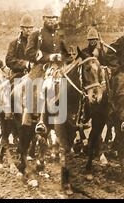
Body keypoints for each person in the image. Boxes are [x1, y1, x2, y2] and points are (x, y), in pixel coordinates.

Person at [24, 5, 69, 133]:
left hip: (59, 68)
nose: (52, 20)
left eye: (54, 18)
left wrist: (62, 57)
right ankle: (38, 119)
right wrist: (49, 57)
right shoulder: (36, 35)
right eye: (49, 18)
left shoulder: (61, 35)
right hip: (41, 67)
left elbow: (68, 54)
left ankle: (75, 116)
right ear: (44, 18)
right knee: (36, 87)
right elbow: (29, 53)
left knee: (74, 85)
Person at [6, 14, 35, 81]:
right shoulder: (14, 43)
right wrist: (25, 64)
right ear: (21, 28)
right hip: (18, 75)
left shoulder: (37, 43)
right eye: (27, 28)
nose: (29, 30)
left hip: (34, 74)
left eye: (31, 28)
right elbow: (9, 60)